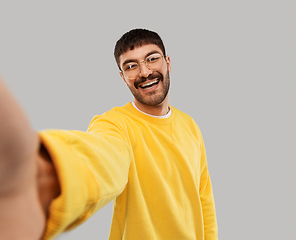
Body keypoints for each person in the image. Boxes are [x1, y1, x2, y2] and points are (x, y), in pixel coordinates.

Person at [0, 28, 218, 240]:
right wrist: (46, 175)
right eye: (131, 66)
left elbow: (203, 197)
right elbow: (104, 157)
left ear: (168, 62)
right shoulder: (115, 123)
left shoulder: (190, 125)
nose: (144, 72)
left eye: (151, 59)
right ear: (123, 77)